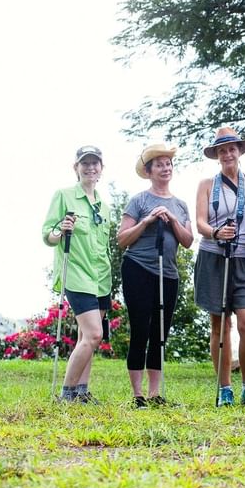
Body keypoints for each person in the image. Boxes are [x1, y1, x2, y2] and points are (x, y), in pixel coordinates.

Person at [194, 127, 245, 407]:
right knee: (220, 323)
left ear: (240, 151)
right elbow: (200, 222)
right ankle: (224, 387)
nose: (227, 154)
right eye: (222, 150)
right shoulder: (206, 185)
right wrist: (215, 232)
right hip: (214, 256)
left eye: (232, 148)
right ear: (217, 155)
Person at [117, 144, 194, 408]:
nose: (165, 168)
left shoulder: (180, 205)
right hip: (138, 269)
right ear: (149, 171)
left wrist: (172, 219)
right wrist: (147, 221)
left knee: (160, 333)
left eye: (168, 163)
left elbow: (187, 241)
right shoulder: (139, 201)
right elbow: (122, 239)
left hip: (168, 273)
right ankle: (137, 395)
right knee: (140, 328)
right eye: (159, 164)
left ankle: (155, 393)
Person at [42, 146, 112, 403]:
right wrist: (61, 229)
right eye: (85, 163)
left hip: (101, 278)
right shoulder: (63, 196)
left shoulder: (104, 206)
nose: (90, 167)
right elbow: (48, 236)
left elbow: (104, 246)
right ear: (76, 168)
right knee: (95, 334)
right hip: (76, 275)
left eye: (95, 163)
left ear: (101, 168)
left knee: (86, 337)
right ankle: (66, 394)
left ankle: (83, 391)